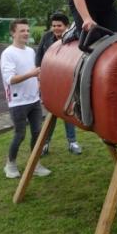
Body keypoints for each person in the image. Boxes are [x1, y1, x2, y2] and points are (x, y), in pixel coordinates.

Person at [0, 19, 51, 179]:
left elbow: (36, 74)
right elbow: (10, 79)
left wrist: (39, 85)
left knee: (37, 133)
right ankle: (10, 165)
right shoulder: (8, 53)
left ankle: (35, 164)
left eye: (27, 30)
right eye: (22, 30)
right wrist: (32, 73)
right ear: (13, 33)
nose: (26, 33)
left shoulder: (30, 51)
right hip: (18, 102)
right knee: (20, 134)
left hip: (34, 100)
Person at [35, 13, 82, 155]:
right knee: (51, 112)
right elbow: (39, 58)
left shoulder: (74, 39)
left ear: (66, 26)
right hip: (49, 83)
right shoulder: (46, 37)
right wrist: (39, 79)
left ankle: (72, 142)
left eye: (59, 26)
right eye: (54, 25)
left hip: (67, 83)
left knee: (68, 112)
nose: (56, 28)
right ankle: (45, 143)